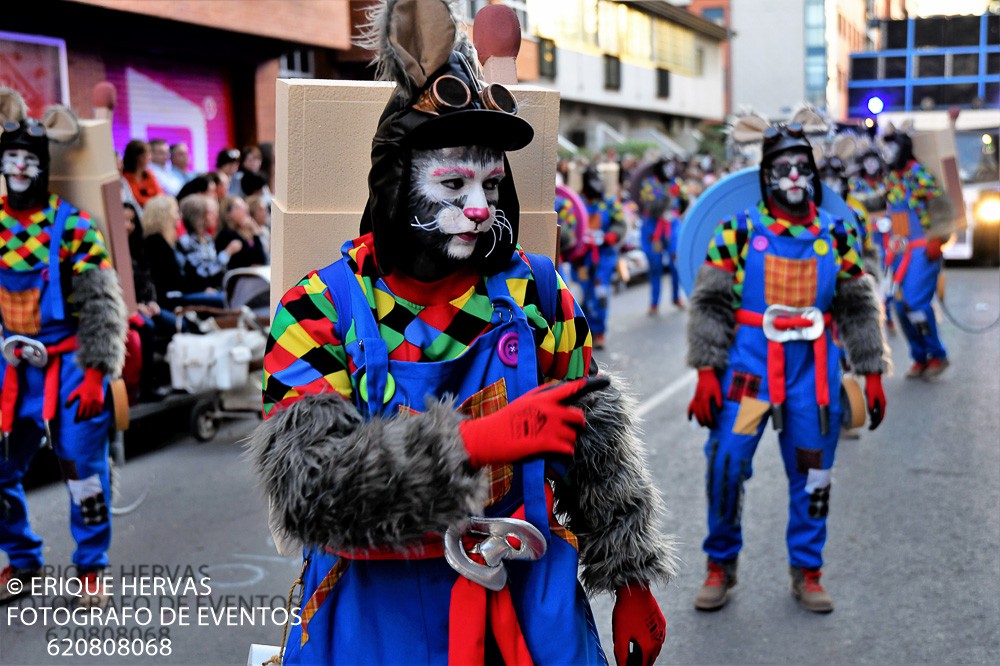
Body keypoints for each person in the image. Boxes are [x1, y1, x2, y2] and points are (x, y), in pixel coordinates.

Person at [248, 2, 675, 664]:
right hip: (378, 614)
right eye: (452, 181)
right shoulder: (318, 309)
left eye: (490, 181)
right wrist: (470, 443)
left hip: (527, 599)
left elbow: (598, 448)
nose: (478, 208)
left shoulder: (537, 293)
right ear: (394, 183)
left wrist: (631, 579)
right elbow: (308, 492)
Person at [685, 123, 888, 613]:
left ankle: (808, 570)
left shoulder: (836, 234)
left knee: (814, 473)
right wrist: (707, 372)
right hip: (750, 376)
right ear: (766, 176)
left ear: (813, 175)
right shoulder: (736, 231)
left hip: (812, 377)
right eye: (783, 168)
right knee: (728, 463)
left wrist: (872, 371)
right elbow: (710, 303)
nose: (794, 176)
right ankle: (720, 565)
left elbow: (858, 305)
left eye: (802, 167)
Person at [0, 89, 127, 607]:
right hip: (11, 362)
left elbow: (102, 301)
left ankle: (91, 566)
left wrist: (99, 371)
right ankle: (22, 559)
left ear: (42, 165)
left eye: (29, 159)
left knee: (81, 467)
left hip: (72, 364)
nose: (20, 168)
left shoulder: (73, 226)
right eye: (11, 158)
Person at [879, 128, 950, 379]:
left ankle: (937, 354)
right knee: (899, 306)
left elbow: (941, 206)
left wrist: (938, 238)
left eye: (891, 149)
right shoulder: (892, 178)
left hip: (923, 248)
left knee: (915, 302)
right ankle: (919, 357)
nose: (886, 154)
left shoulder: (918, 174)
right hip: (901, 250)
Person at [573, 165, 626, 349]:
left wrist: (613, 234)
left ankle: (599, 331)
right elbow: (568, 223)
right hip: (582, 257)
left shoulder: (611, 203)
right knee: (583, 292)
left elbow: (620, 224)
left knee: (600, 291)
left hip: (604, 256)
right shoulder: (577, 202)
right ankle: (584, 329)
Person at [629, 157, 675, 315]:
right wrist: (666, 200)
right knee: (655, 266)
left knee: (676, 262)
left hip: (671, 226)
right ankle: (654, 303)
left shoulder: (675, 183)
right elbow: (651, 206)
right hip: (653, 229)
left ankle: (676, 297)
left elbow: (682, 201)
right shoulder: (649, 184)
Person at [177, 194, 239, 296]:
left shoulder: (207, 238)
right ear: (198, 216)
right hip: (197, 292)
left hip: (216, 289)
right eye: (210, 213)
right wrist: (227, 253)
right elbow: (202, 272)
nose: (215, 216)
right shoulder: (187, 242)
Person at [216, 195, 267, 270]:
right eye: (239, 207)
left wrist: (254, 228)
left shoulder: (247, 233)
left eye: (244, 205)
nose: (245, 208)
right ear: (229, 214)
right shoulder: (226, 235)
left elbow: (261, 259)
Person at [121, 138, 163, 208]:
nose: (150, 157)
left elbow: (159, 193)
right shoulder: (126, 178)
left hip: (155, 208)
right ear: (138, 157)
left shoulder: (149, 174)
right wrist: (155, 202)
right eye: (147, 154)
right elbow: (137, 200)